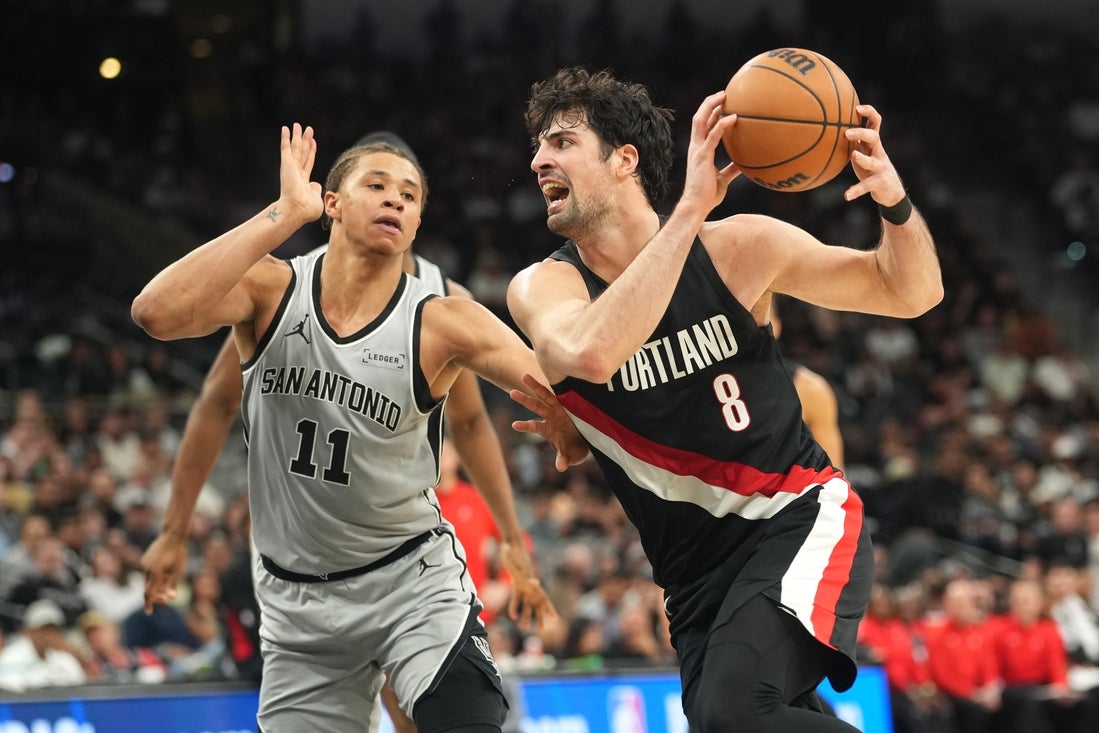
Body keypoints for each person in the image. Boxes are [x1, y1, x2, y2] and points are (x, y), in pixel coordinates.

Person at [507, 67, 943, 733]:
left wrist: (893, 201)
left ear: (624, 161)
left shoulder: (738, 247)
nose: (539, 159)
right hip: (693, 576)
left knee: (733, 713)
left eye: (562, 142)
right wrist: (687, 212)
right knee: (740, 722)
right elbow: (590, 354)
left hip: (794, 515)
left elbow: (912, 292)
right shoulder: (544, 286)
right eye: (538, 146)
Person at [132, 124, 585, 732]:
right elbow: (155, 314)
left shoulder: (444, 315)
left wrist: (571, 428)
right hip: (297, 604)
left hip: (408, 578)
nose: (394, 198)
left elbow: (546, 402)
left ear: (418, 224)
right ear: (332, 203)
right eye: (376, 185)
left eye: (410, 194)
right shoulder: (271, 289)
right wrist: (282, 215)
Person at [770, 295, 845, 471]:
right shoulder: (707, 385)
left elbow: (834, 470)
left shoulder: (810, 389)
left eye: (758, 316)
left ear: (777, 326)